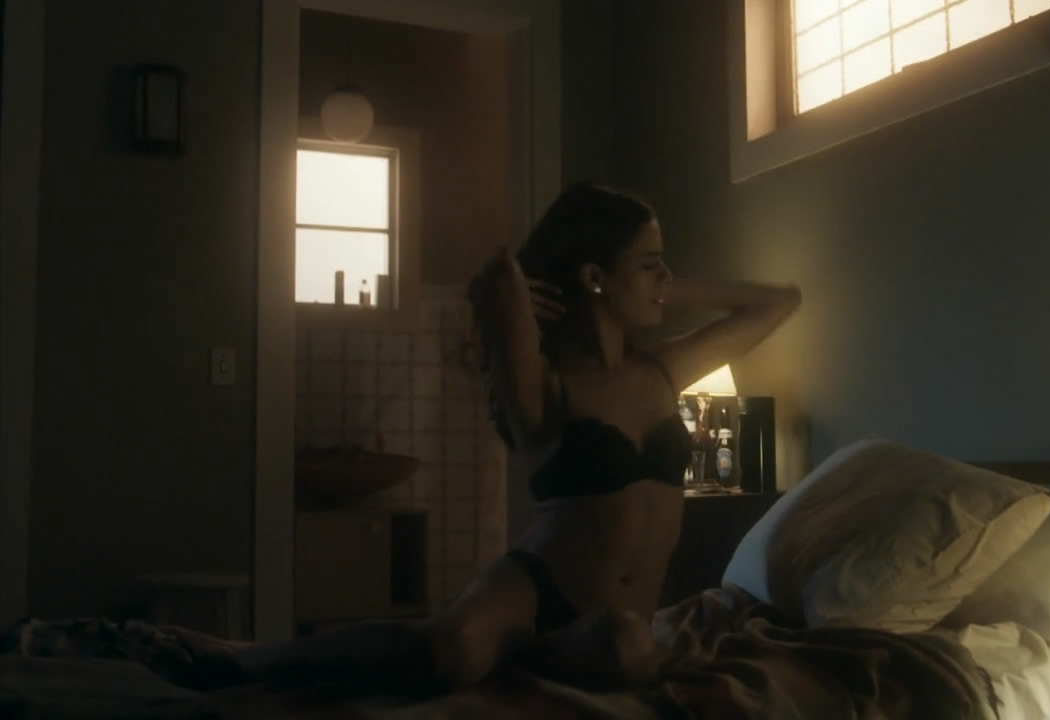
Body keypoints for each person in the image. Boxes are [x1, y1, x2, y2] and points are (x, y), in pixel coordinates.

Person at [234, 182, 801, 696]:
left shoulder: (660, 371)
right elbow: (500, 277)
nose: (665, 276)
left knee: (625, 642)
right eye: (651, 264)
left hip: (612, 622)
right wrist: (590, 283)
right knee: (448, 653)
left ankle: (529, 653)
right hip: (534, 588)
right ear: (593, 276)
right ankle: (247, 660)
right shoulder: (547, 385)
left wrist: (657, 286)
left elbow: (780, 303)